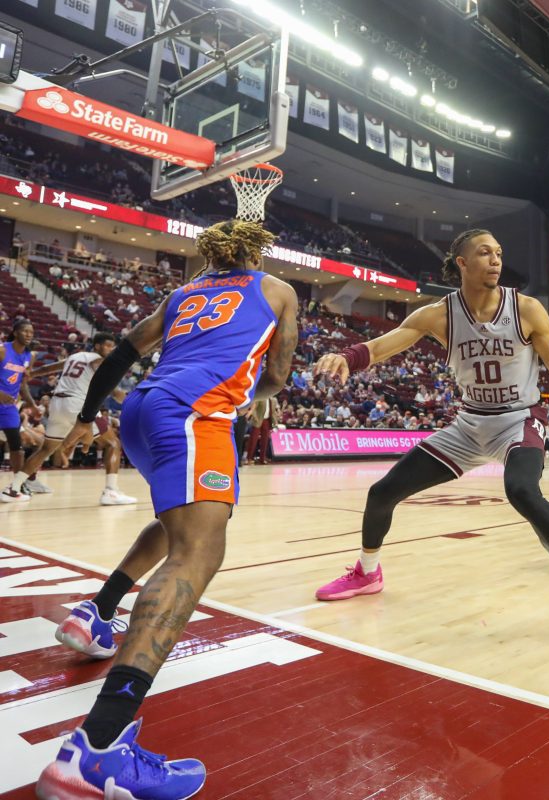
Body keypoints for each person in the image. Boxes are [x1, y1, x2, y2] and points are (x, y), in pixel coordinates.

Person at [36, 220, 298, 800]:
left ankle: (97, 612)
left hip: (141, 410)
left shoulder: (182, 294)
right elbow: (276, 375)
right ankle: (100, 747)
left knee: (178, 524)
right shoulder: (278, 290)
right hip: (193, 411)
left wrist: (87, 417)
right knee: (198, 550)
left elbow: (125, 352)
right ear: (258, 253)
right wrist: (248, 393)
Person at [310, 229, 549, 653]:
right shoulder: (439, 315)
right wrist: (347, 355)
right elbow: (384, 345)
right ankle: (367, 572)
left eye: (499, 253)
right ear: (462, 263)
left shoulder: (526, 309)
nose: (495, 260)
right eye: (484, 252)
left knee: (522, 490)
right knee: (382, 493)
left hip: (519, 420)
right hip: (469, 426)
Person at [6, 332, 137, 505]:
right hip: (78, 404)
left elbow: (49, 368)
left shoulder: (75, 356)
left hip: (58, 404)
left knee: (45, 449)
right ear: (97, 346)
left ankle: (13, 489)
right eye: (107, 345)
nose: (111, 349)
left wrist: (32, 373)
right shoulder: (99, 360)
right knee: (113, 444)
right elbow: (111, 388)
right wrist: (127, 400)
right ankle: (111, 492)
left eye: (112, 346)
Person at [0, 318, 36, 502]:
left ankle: (16, 486)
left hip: (8, 408)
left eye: (31, 332)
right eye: (25, 331)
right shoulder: (3, 349)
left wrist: (32, 404)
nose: (29, 335)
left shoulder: (29, 356)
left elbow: (23, 385)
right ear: (15, 333)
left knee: (17, 446)